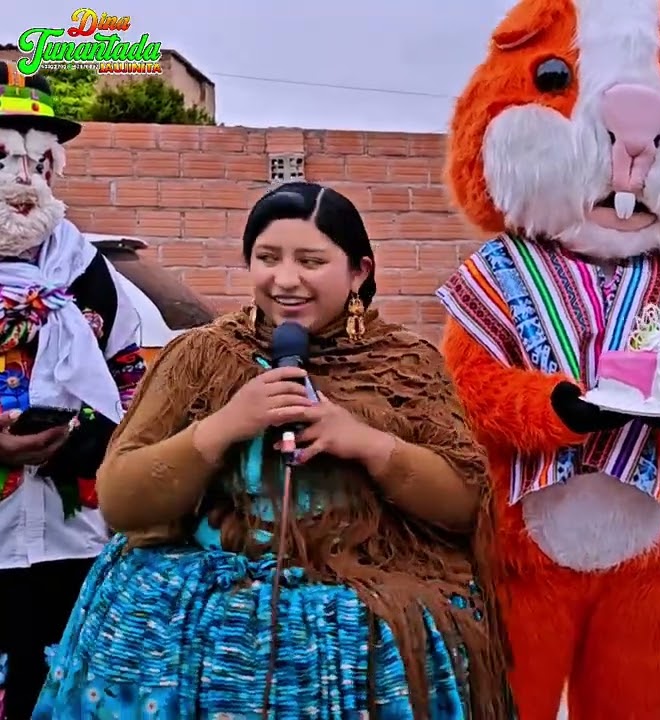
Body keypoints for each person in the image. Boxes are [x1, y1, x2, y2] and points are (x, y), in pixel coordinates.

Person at [34, 183, 513, 719]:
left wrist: (368, 443)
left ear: (359, 272)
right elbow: (122, 500)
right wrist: (224, 426)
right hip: (205, 630)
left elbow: (463, 504)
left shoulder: (409, 365)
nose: (285, 280)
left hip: (367, 624)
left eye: (311, 261)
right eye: (267, 258)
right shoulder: (202, 356)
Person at [434, 1, 660, 717]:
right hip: (521, 549)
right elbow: (468, 387)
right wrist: (549, 408)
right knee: (506, 696)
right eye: (553, 78)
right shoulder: (498, 274)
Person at [0, 64, 145, 720]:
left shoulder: (89, 273)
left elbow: (130, 379)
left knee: (64, 690)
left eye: (39, 163)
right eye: (5, 161)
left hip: (74, 536)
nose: (24, 182)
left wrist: (87, 441)